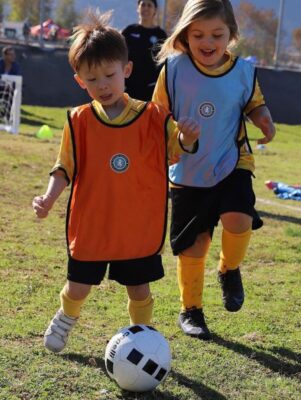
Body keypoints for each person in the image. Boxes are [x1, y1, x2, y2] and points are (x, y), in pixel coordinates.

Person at [32, 10, 200, 354]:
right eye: (92, 79)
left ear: (126, 70)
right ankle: (65, 317)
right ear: (80, 80)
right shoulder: (78, 121)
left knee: (139, 288)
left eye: (110, 75)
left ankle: (143, 336)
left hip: (136, 223)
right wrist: (49, 198)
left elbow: (176, 150)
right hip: (93, 221)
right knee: (78, 286)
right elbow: (64, 166)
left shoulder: (153, 116)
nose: (103, 85)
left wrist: (186, 138)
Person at [153, 0, 276, 340]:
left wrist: (263, 119)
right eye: (198, 35)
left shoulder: (243, 71)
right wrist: (177, 138)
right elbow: (157, 117)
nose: (208, 42)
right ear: (185, 35)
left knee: (239, 218)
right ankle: (191, 310)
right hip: (187, 170)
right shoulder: (173, 70)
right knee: (195, 245)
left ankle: (229, 269)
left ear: (231, 35)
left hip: (232, 159)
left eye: (217, 34)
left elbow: (254, 103)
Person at [122, 0, 167, 100]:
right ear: (138, 8)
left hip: (152, 89)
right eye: (143, 5)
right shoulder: (129, 31)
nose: (146, 8)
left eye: (149, 5)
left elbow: (165, 61)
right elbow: (118, 54)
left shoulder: (161, 35)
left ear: (155, 10)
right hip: (130, 88)